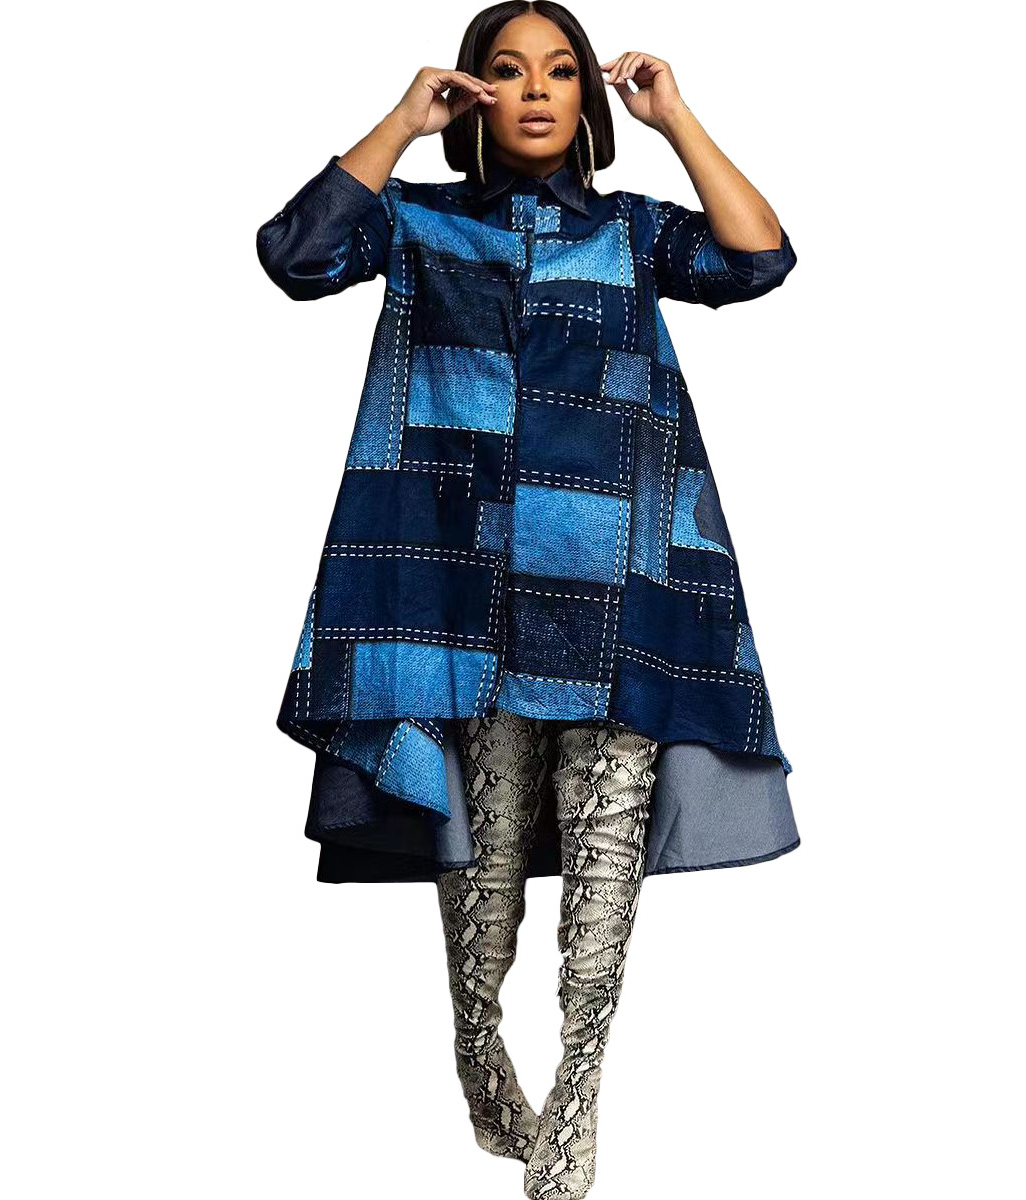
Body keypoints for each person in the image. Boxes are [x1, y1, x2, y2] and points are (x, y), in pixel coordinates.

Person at [255, 4, 800, 1196]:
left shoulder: (632, 233)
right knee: (484, 888)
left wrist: (675, 118)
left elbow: (758, 259)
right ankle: (477, 1045)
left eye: (561, 70)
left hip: (622, 599)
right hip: (464, 604)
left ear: (587, 102)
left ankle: (577, 1105)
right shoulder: (417, 225)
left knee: (603, 887)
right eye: (510, 69)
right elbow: (295, 255)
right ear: (476, 94)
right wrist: (402, 122)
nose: (539, 89)